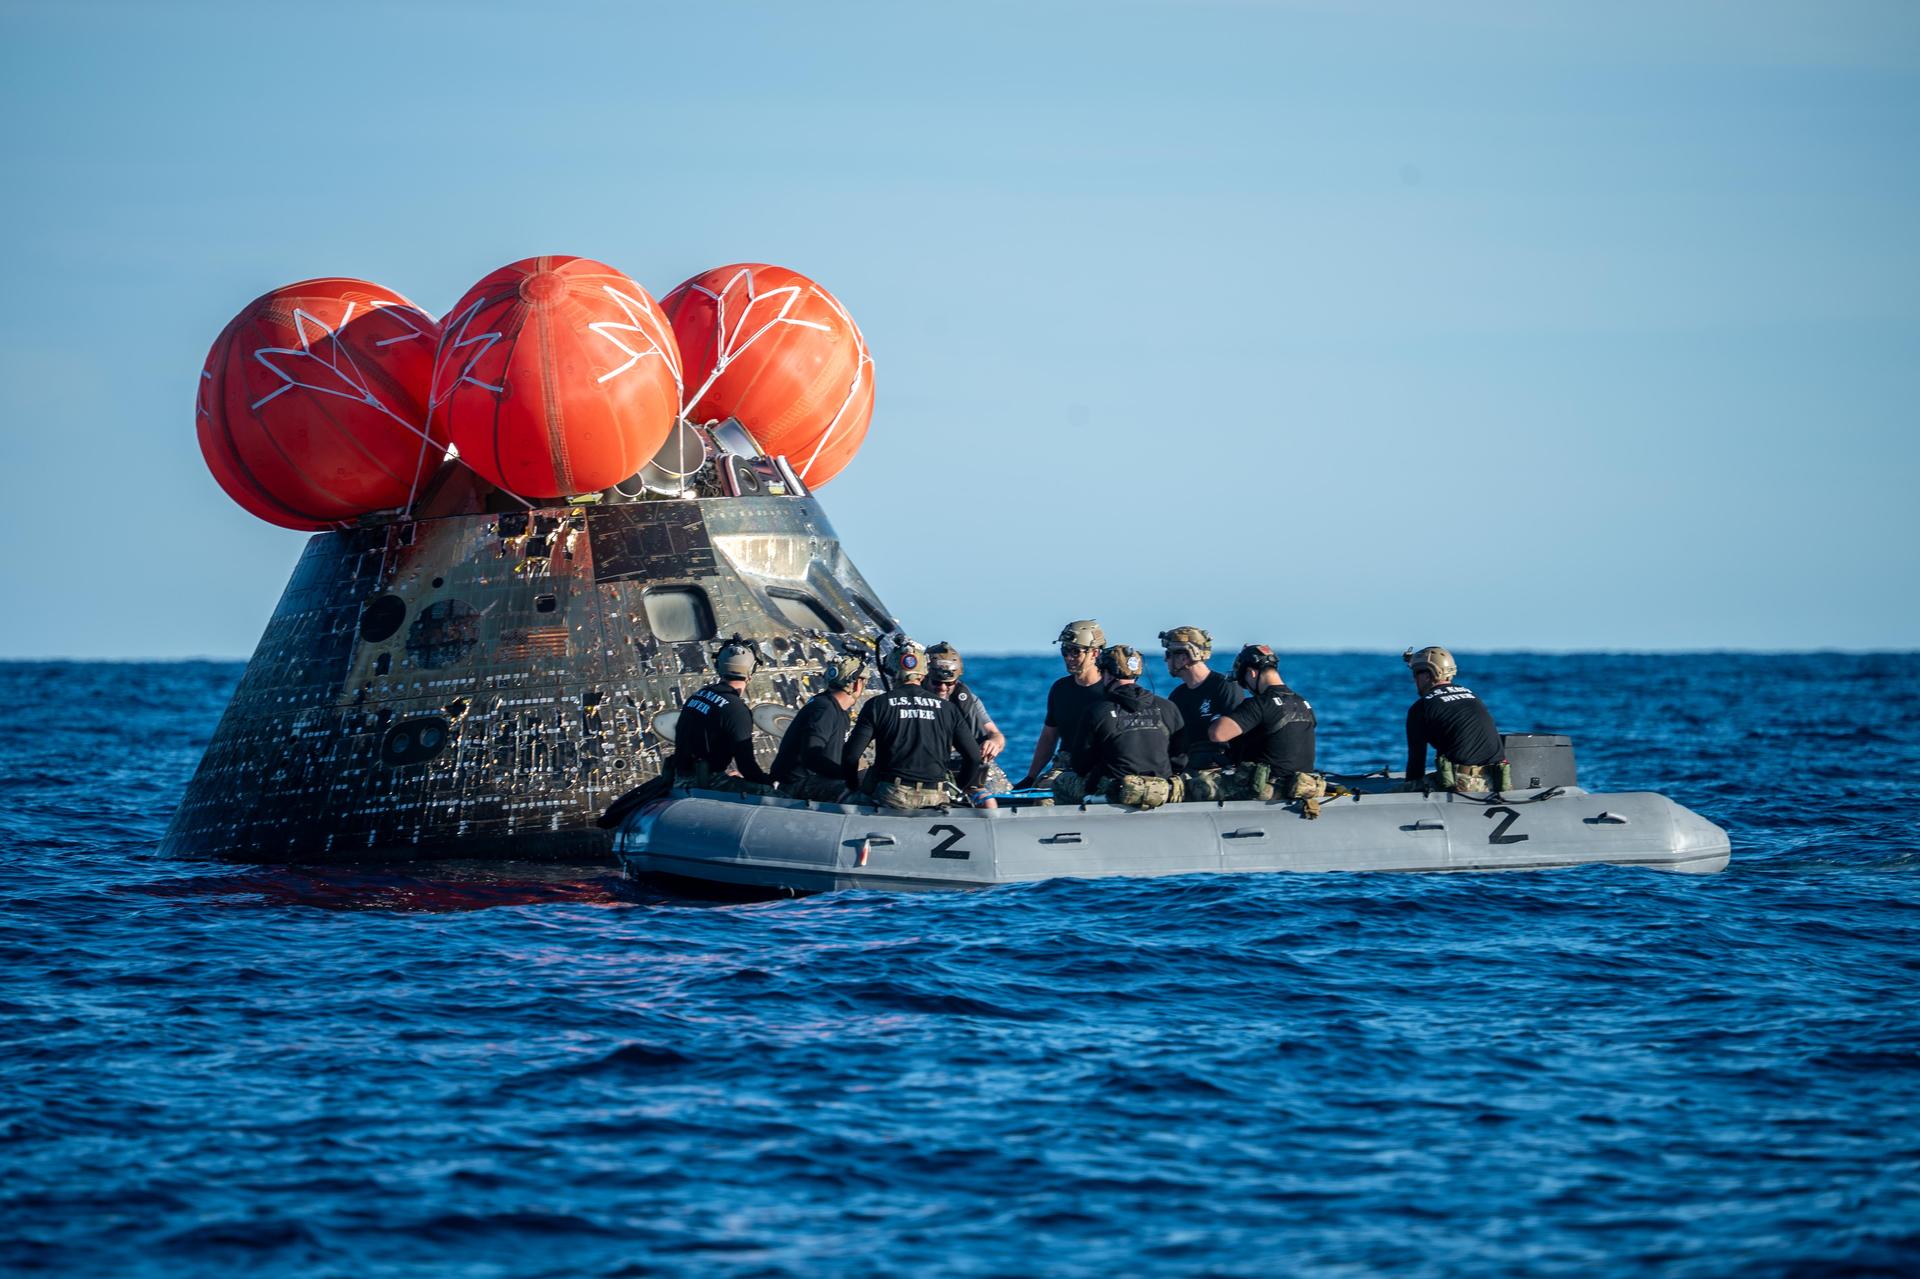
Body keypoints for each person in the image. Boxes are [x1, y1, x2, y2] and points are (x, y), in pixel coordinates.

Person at [843, 639, 985, 810]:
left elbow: (850, 756)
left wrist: (852, 786)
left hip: (892, 795)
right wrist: (958, 790)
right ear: (924, 674)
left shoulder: (878, 704)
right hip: (935, 797)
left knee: (846, 799)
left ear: (892, 672)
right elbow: (974, 757)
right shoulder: (948, 709)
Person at [1183, 644, 1319, 805]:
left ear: (1252, 673)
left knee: (1189, 787)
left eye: (1244, 683)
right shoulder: (1303, 704)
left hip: (1266, 789)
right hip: (1297, 786)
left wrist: (1216, 718)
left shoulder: (1259, 704)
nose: (1246, 688)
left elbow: (1217, 734)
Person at [1071, 645, 1187, 808]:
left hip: (1116, 793)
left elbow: (1080, 765)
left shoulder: (1096, 711)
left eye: (1102, 671)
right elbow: (1180, 760)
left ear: (1109, 674)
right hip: (1161, 792)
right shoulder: (1168, 707)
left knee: (1062, 783)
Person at [1015, 619, 1111, 802]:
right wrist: (1030, 777)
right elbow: (1049, 737)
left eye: (1075, 651)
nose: (1069, 657)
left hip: (1101, 765)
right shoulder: (1060, 689)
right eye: (1065, 651)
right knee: (1039, 796)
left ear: (1095, 653)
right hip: (1066, 765)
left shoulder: (1110, 691)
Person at [674, 634, 775, 793]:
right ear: (751, 671)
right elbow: (746, 765)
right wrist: (768, 783)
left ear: (719, 666)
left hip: (680, 777)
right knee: (777, 796)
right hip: (703, 783)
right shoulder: (737, 711)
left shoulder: (699, 695)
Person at [1403, 646, 1505, 793]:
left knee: (1388, 796)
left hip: (1465, 785)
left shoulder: (1421, 708)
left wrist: (1408, 790)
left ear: (1428, 675)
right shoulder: (1471, 695)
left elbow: (1416, 763)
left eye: (1416, 673)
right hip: (1498, 780)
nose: (1414, 679)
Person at [769, 653, 869, 803]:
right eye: (863, 682)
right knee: (864, 794)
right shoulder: (825, 709)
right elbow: (811, 757)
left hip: (813, 780)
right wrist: (845, 775)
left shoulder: (833, 709)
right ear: (855, 684)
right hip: (798, 784)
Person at [925, 642, 1011, 801]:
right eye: (936, 682)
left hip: (961, 771)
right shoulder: (912, 699)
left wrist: (993, 743)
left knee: (988, 803)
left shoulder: (967, 700)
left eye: (949, 683)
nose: (943, 688)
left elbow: (996, 734)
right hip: (924, 770)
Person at [1159, 625, 1244, 771]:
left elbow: (1239, 739)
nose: (1165, 660)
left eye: (1168, 655)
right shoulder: (1177, 696)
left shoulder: (1225, 687)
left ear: (1184, 658)